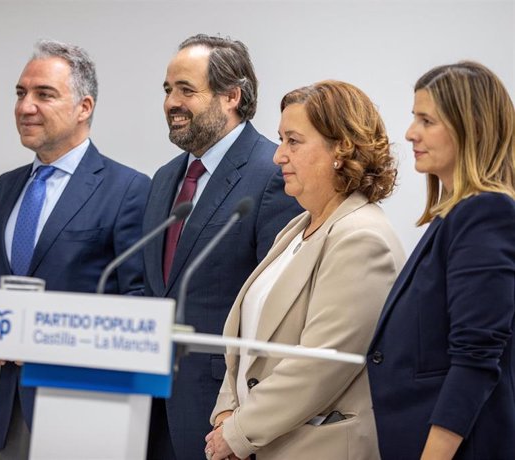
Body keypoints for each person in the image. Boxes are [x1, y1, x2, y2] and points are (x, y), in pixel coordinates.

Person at [204, 80, 405, 460]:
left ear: (340, 149)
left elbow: (321, 363)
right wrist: (227, 411)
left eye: (293, 141)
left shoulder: (361, 237)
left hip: (315, 447)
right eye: (280, 140)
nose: (279, 156)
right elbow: (248, 342)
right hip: (264, 441)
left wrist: (240, 431)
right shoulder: (296, 228)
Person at [0, 39, 151, 459]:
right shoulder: (6, 187)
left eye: (44, 94)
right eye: (20, 93)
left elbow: (139, 303)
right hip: (15, 409)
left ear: (83, 107)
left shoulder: (128, 189)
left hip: (87, 409)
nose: (25, 106)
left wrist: (48, 338)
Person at [144, 34, 302, 460]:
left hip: (221, 412)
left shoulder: (273, 174)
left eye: (186, 90)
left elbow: (276, 311)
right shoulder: (163, 179)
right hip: (147, 406)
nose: (171, 102)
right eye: (167, 89)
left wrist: (242, 415)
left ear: (231, 96)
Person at [367, 62, 515, 460]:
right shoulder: (453, 217)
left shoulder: (486, 213)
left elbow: (477, 359)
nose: (410, 132)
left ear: (474, 128)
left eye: (426, 120)